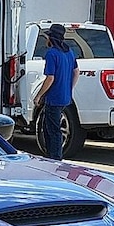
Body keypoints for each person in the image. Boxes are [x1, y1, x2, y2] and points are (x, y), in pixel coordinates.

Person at [31, 23, 79, 160]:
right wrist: (69, 87)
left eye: (47, 36)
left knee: (53, 130)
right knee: (49, 126)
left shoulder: (52, 54)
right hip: (65, 97)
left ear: (51, 38)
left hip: (54, 98)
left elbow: (50, 78)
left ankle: (55, 158)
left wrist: (39, 95)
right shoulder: (69, 52)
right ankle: (52, 155)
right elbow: (76, 72)